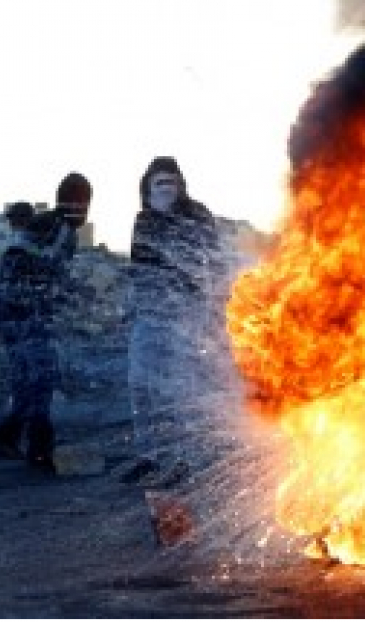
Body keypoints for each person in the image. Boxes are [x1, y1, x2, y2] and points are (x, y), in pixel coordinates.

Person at [120, 156, 218, 486]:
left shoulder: (196, 216)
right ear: (147, 187)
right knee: (141, 385)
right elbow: (138, 265)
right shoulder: (143, 220)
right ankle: (150, 455)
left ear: (181, 185)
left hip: (185, 313)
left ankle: (183, 458)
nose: (165, 189)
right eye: (159, 183)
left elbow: (211, 261)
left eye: (171, 182)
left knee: (178, 389)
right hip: (148, 313)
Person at [0, 214, 64, 473]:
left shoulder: (13, 254)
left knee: (25, 391)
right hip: (30, 332)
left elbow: (1, 296)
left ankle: (9, 439)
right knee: (39, 390)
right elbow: (29, 296)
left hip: (16, 333)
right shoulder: (32, 258)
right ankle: (37, 450)